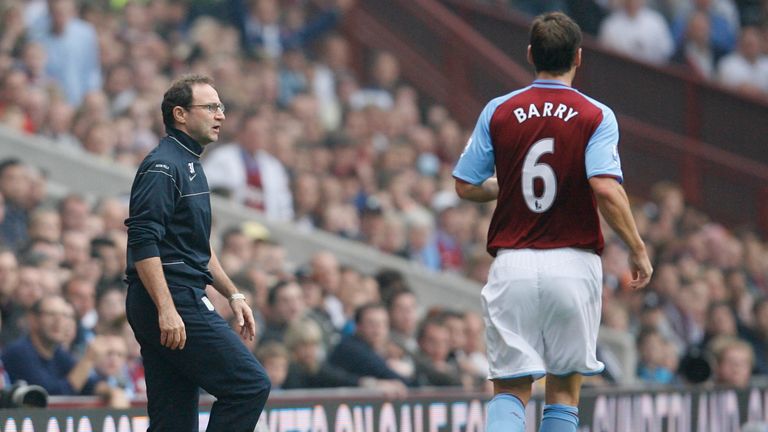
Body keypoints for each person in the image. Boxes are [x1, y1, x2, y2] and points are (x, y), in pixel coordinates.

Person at [453, 12, 652, 432]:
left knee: (510, 390)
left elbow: (465, 186)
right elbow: (606, 188)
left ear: (530, 54)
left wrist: (504, 186)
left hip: (514, 263)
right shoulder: (596, 115)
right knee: (563, 389)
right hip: (573, 263)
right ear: (579, 57)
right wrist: (636, 247)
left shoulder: (499, 110)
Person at [124, 74, 270, 432]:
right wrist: (167, 308)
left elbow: (198, 245)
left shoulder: (190, 162)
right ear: (180, 114)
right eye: (210, 107)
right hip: (172, 297)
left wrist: (232, 292)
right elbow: (143, 241)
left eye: (221, 107)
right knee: (249, 385)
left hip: (173, 296)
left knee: (173, 422)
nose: (220, 115)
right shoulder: (163, 166)